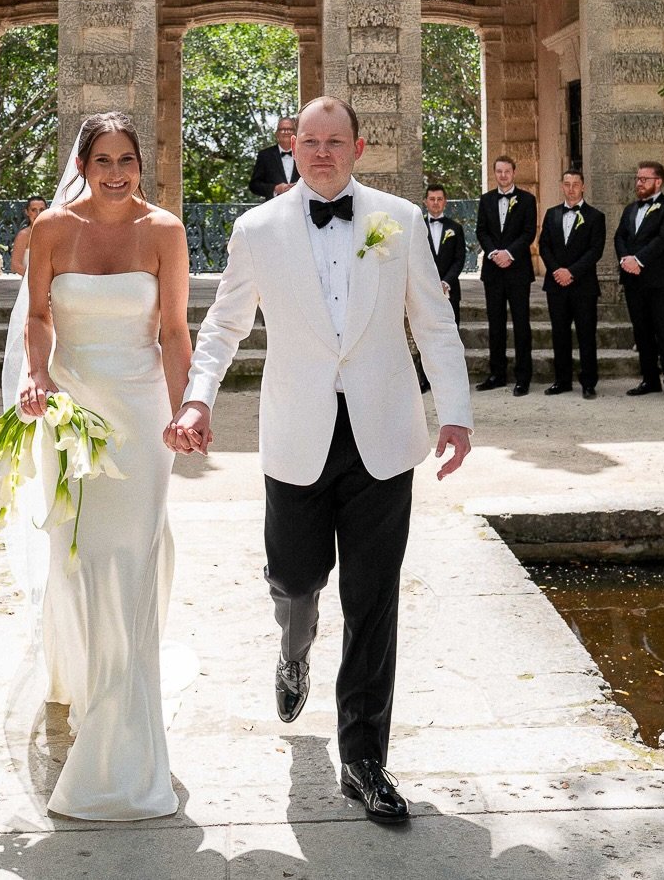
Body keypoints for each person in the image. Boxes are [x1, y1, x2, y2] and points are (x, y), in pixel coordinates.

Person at [169, 95, 472, 826]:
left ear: (358, 148)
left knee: (373, 600)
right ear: (292, 146)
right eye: (311, 141)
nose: (323, 153)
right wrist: (196, 399)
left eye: (336, 142)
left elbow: (432, 321)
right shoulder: (257, 228)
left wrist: (455, 413)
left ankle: (363, 759)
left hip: (382, 435)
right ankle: (292, 646)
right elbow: (221, 328)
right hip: (296, 434)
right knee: (294, 579)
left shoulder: (396, 219)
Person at [15, 111, 192, 820]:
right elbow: (35, 316)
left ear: (139, 164)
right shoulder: (52, 230)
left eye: (126, 160)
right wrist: (35, 375)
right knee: (80, 560)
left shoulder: (166, 231)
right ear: (82, 165)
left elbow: (176, 330)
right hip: (71, 410)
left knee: (130, 563)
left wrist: (186, 410)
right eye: (102, 161)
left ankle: (126, 742)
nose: (115, 173)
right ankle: (88, 689)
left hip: (141, 417)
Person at [614, 161, 664, 403]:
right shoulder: (630, 209)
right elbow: (620, 236)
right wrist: (625, 258)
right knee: (641, 331)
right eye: (638, 178)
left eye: (644, 179)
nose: (639, 183)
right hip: (633, 279)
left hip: (660, 281)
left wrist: (639, 260)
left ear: (659, 182)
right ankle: (650, 380)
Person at [537, 169, 606, 398]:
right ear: (562, 186)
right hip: (556, 285)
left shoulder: (596, 216)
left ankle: (588, 383)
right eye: (567, 184)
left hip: (583, 285)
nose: (571, 188)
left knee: (586, 334)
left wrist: (571, 272)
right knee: (560, 334)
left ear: (583, 186)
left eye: (575, 184)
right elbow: (544, 245)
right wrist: (557, 270)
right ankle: (562, 380)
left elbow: (595, 251)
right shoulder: (551, 214)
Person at [474, 155, 537, 395]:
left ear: (514, 172)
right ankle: (497, 374)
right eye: (498, 171)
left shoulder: (527, 200)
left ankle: (523, 377)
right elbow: (481, 231)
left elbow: (529, 232)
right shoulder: (486, 200)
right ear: (494, 173)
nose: (503, 175)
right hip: (493, 272)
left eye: (507, 171)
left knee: (522, 325)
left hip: (518, 271)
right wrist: (493, 253)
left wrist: (509, 254)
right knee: (496, 325)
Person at [423, 182, 465, 330]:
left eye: (439, 199)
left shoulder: (455, 228)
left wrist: (445, 283)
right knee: (426, 332)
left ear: (445, 202)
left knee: (451, 330)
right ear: (425, 201)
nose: (436, 203)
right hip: (424, 291)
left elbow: (459, 259)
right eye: (432, 199)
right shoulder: (418, 227)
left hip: (450, 290)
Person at [248, 116, 300, 200]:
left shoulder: (304, 153)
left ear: (295, 133)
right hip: (273, 207)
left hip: (301, 206)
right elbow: (254, 185)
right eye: (282, 129)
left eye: (290, 129)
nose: (286, 132)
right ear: (276, 134)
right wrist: (275, 188)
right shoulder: (265, 155)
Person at [9, 195, 48, 276]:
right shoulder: (24, 235)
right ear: (27, 212)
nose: (38, 214)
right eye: (34, 210)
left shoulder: (52, 233)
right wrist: (35, 278)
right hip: (28, 283)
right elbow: (15, 265)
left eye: (42, 210)